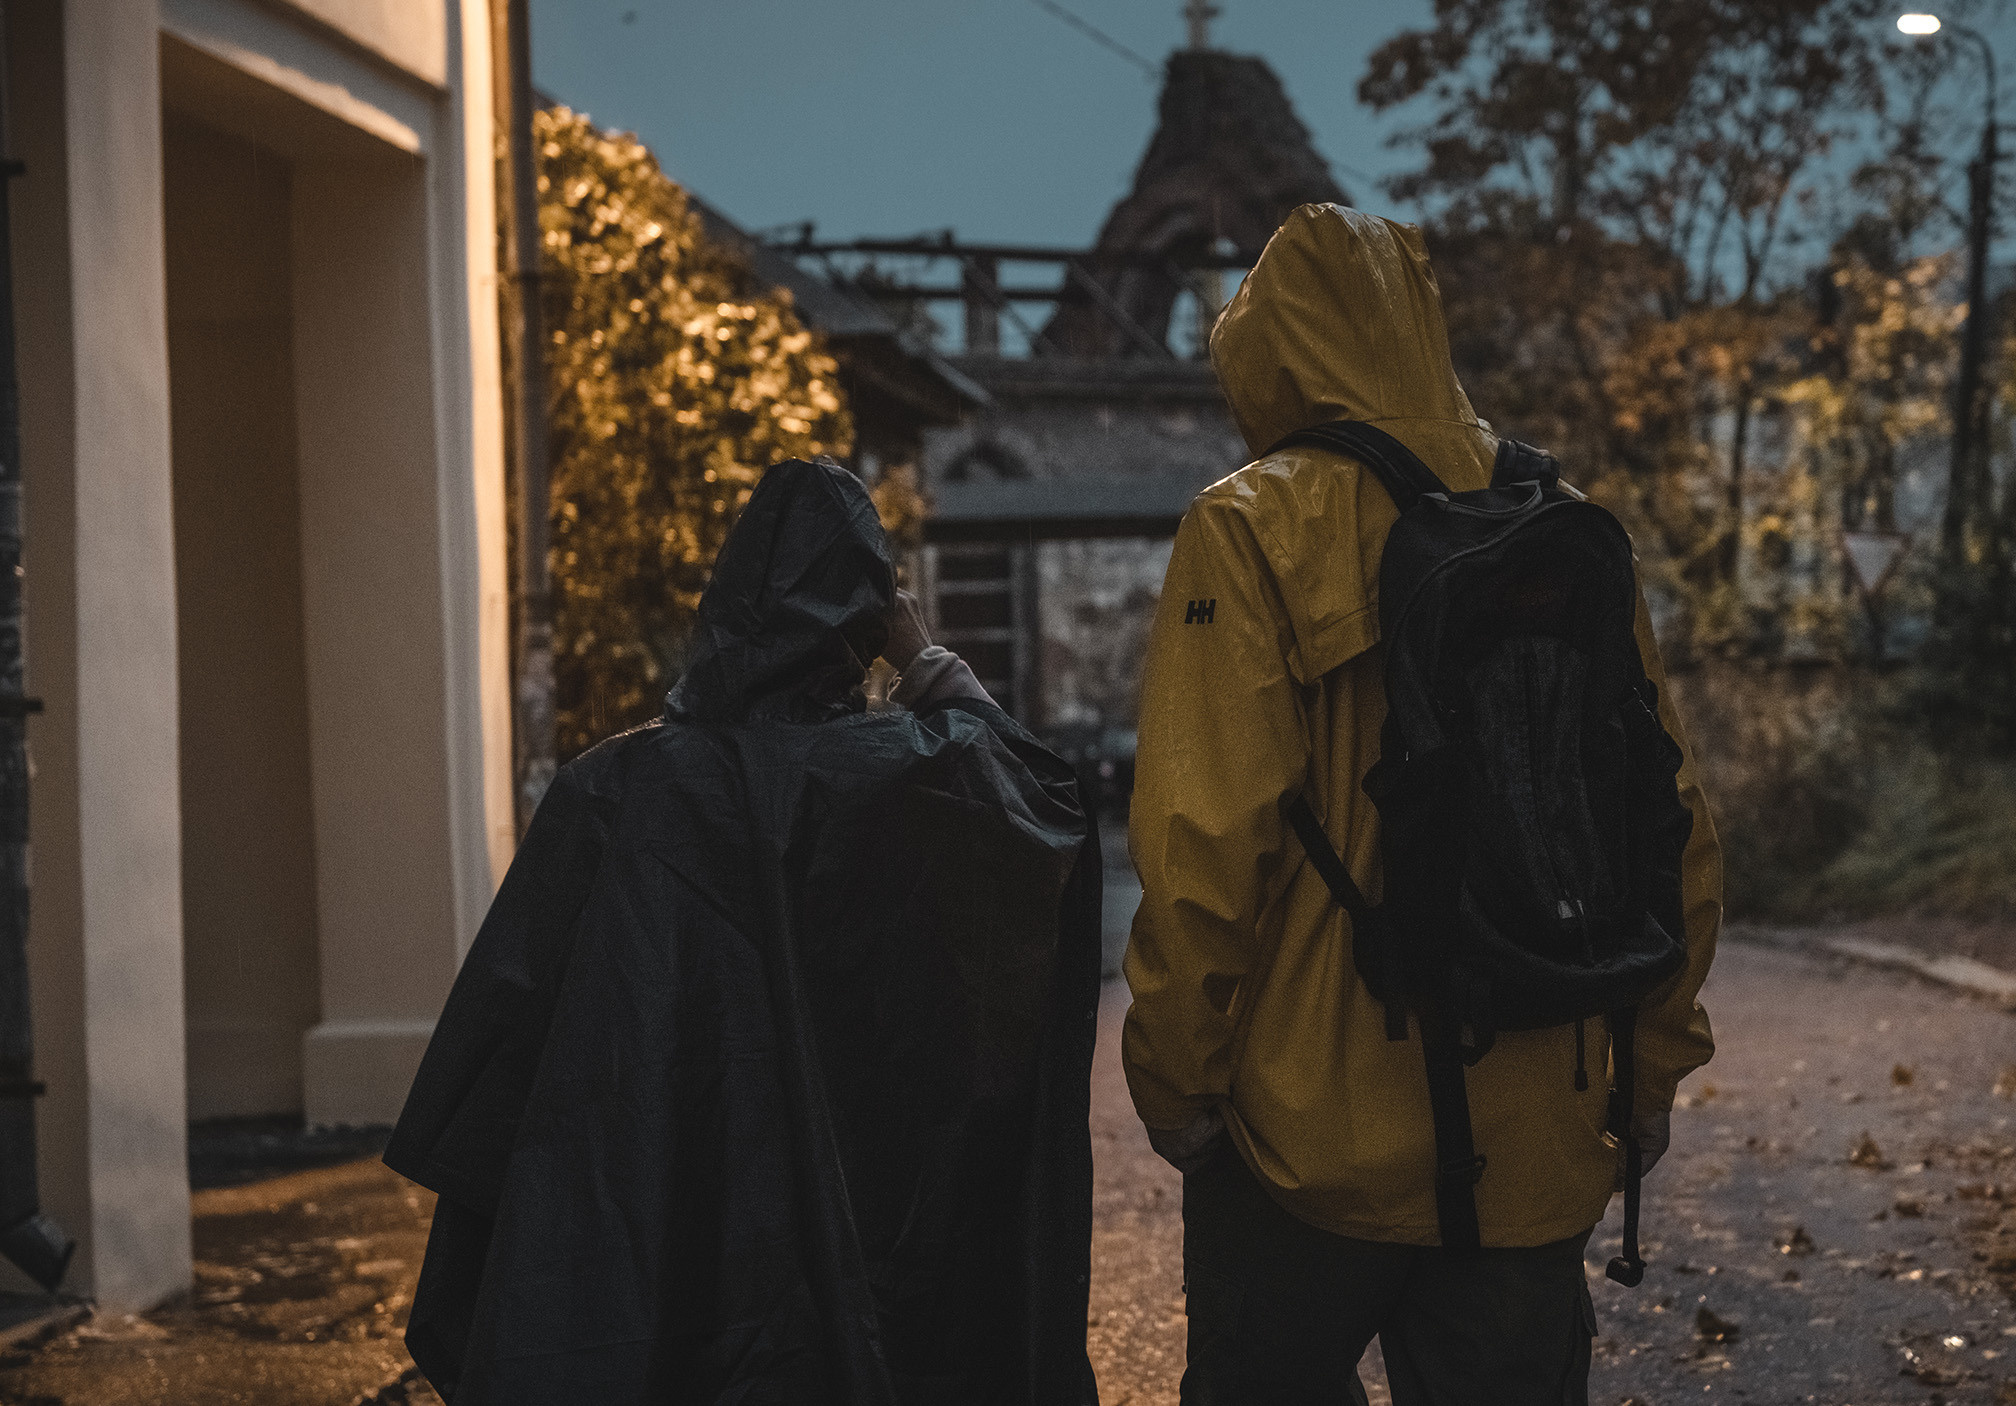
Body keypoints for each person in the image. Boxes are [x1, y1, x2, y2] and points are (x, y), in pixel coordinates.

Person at [1121, 204, 1723, 1405]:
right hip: (1534, 1133)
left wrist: (1176, 1076)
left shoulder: (1247, 525)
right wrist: (1644, 1070)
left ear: (1270, 346)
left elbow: (1206, 845)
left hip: (1305, 1146)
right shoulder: (1558, 523)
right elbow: (1672, 826)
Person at [386, 460, 1102, 1405]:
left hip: (663, 1246)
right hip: (876, 1272)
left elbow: (504, 1065)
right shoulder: (920, 779)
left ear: (724, 601)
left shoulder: (612, 791)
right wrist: (922, 656)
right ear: (868, 614)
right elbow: (1042, 801)